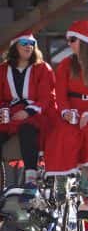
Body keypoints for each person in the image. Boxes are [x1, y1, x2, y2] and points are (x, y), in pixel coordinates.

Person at [45, 19, 88, 203]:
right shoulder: (66, 64)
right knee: (61, 132)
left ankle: (85, 177)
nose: (69, 44)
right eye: (69, 40)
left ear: (83, 41)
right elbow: (60, 93)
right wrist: (65, 111)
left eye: (72, 39)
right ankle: (61, 178)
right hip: (72, 109)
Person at [0, 30, 55, 193]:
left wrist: (28, 112)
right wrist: (3, 110)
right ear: (14, 46)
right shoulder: (3, 70)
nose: (29, 47)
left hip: (36, 114)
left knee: (27, 129)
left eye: (32, 44)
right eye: (24, 43)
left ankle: (31, 178)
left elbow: (46, 97)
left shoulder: (42, 68)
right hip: (11, 114)